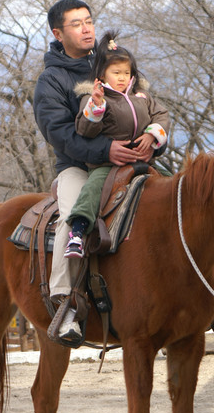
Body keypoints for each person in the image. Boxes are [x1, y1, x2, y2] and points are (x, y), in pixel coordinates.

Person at [33, 0, 156, 345]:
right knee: (73, 217)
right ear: (58, 34)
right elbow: (59, 134)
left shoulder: (112, 63)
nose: (87, 29)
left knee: (179, 202)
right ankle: (66, 304)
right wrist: (105, 150)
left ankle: (207, 296)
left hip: (131, 160)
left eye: (88, 21)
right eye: (76, 24)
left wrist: (151, 139)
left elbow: (145, 105)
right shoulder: (51, 81)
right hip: (78, 168)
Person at [63, 30, 169, 258]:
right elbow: (85, 129)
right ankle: (78, 232)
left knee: (174, 183)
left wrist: (152, 136)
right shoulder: (93, 98)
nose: (122, 78)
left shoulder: (142, 96)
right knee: (92, 190)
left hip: (143, 160)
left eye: (126, 72)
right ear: (102, 74)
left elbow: (161, 115)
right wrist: (96, 107)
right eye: (116, 72)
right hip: (107, 165)